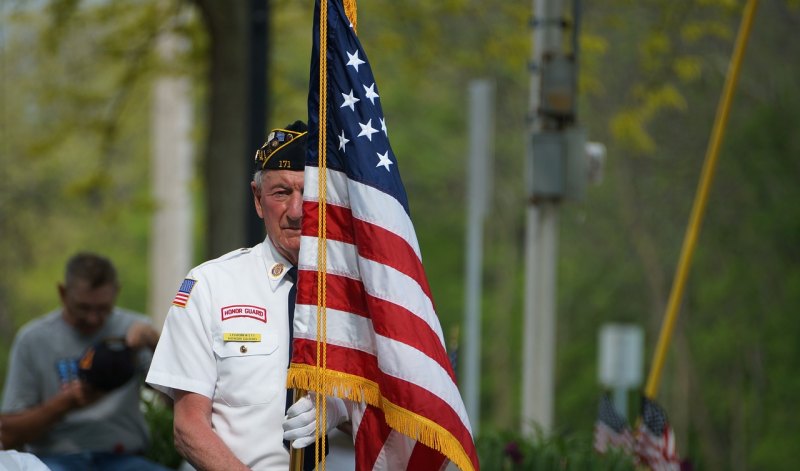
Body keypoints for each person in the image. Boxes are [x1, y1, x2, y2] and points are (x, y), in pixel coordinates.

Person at [146, 121, 350, 470]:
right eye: (281, 193)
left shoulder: (363, 295)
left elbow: (404, 416)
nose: (298, 211)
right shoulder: (211, 285)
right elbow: (188, 426)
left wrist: (341, 409)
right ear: (258, 200)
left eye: (310, 194)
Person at [0, 252, 170, 471]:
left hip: (124, 459)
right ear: (62, 293)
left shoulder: (135, 329)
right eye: (83, 307)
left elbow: (177, 404)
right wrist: (68, 402)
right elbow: (8, 433)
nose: (93, 318)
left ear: (116, 293)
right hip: (55, 460)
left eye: (103, 309)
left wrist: (156, 345)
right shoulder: (33, 340)